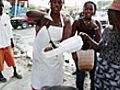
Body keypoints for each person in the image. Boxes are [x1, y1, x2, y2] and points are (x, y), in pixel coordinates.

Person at [26, 0, 72, 89]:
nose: (57, 5)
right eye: (54, 2)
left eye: (60, 3)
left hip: (55, 58)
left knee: (53, 84)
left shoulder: (65, 19)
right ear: (50, 3)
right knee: (39, 82)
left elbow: (66, 40)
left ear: (63, 4)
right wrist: (45, 17)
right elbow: (29, 13)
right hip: (40, 57)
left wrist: (55, 49)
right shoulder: (43, 14)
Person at [80, 0, 120, 89]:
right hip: (102, 68)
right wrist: (87, 38)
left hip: (115, 72)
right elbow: (100, 48)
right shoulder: (108, 30)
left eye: (111, 14)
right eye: (108, 13)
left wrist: (117, 21)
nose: (109, 16)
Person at [71, 1, 102, 90]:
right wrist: (73, 53)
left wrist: (95, 27)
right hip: (79, 53)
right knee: (80, 77)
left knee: (94, 77)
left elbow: (99, 41)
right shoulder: (78, 22)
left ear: (94, 11)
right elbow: (71, 38)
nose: (88, 11)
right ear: (83, 10)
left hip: (92, 53)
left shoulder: (97, 23)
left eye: (91, 9)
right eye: (86, 9)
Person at [0, 0, 22, 82]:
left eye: (1, 6)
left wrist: (11, 41)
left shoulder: (6, 17)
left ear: (3, 7)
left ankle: (15, 72)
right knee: (0, 61)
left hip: (6, 43)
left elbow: (9, 30)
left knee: (11, 59)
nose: (0, 8)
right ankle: (0, 75)